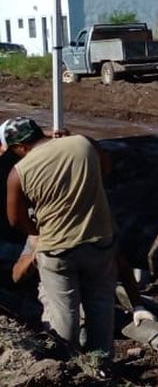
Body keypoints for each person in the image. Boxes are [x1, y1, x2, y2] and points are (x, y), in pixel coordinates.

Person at [3, 117, 123, 356]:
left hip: (57, 249)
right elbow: (106, 168)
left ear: (20, 148)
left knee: (63, 313)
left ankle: (67, 365)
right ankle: (101, 361)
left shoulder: (19, 172)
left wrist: (36, 232)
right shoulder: (84, 143)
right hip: (99, 240)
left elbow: (15, 219)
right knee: (101, 304)